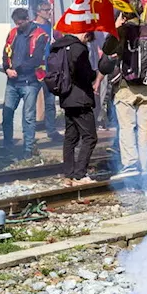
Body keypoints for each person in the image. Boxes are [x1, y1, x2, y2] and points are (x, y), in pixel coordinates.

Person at [99, 4, 147, 179]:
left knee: (127, 126)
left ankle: (130, 164)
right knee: (145, 129)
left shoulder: (123, 30)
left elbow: (107, 50)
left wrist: (116, 27)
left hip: (126, 87)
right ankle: (145, 164)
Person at [0, 8, 49, 158]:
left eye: (20, 23)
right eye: (16, 23)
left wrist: (17, 70)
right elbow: (5, 53)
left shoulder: (40, 35)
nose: (18, 25)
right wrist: (7, 68)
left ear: (27, 19)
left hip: (30, 81)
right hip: (12, 82)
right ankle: (7, 148)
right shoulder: (13, 33)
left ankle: (28, 149)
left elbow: (35, 59)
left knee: (28, 117)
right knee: (7, 115)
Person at [50, 29, 98, 184]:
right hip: (80, 98)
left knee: (71, 137)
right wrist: (94, 74)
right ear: (86, 35)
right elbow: (84, 74)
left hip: (66, 96)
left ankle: (68, 173)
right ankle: (80, 174)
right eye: (88, 39)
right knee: (90, 137)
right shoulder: (80, 49)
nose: (87, 42)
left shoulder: (59, 46)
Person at [32, 1, 62, 141]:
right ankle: (30, 133)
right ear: (38, 12)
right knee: (30, 102)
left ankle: (51, 130)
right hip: (34, 70)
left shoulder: (52, 28)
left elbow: (61, 41)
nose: (49, 12)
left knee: (50, 102)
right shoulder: (31, 27)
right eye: (46, 10)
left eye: (50, 9)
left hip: (49, 70)